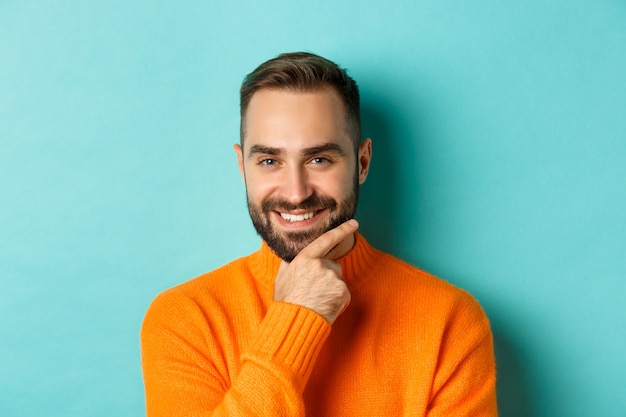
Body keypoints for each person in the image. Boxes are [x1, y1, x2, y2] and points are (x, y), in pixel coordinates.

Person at [141, 52, 498, 416]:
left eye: (319, 159)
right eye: (269, 161)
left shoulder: (449, 321)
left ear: (362, 163)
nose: (296, 193)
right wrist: (297, 317)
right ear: (241, 166)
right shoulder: (185, 319)